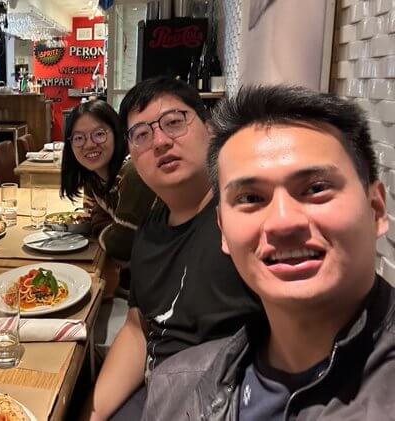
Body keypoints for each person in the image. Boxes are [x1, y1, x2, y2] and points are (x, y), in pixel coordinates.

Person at [143, 85, 395, 420]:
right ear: (223, 231)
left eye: (316, 189)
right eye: (250, 198)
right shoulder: (174, 388)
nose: (282, 222)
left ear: (376, 209)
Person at [90, 77, 262, 420]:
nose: (160, 141)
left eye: (174, 122)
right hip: (156, 394)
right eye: (142, 134)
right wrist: (96, 415)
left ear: (210, 130)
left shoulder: (244, 221)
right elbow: (138, 330)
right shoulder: (151, 228)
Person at [60, 100, 156, 354]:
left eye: (99, 134)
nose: (90, 144)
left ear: (117, 133)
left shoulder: (133, 174)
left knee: (76, 329)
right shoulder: (96, 177)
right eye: (79, 138)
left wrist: (101, 225)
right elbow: (94, 213)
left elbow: (120, 245)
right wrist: (103, 224)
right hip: (131, 285)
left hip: (152, 299)